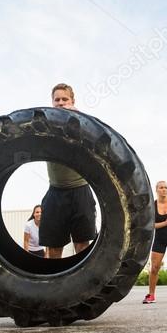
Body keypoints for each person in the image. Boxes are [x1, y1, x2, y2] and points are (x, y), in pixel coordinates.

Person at [40, 84, 98, 259]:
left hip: (81, 190)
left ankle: (82, 284)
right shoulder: (46, 125)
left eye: (65, 99)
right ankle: (53, 283)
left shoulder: (82, 123)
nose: (61, 103)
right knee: (54, 246)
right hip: (56, 191)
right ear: (52, 103)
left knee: (82, 243)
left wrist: (77, 115)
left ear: (72, 101)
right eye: (57, 100)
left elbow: (97, 136)